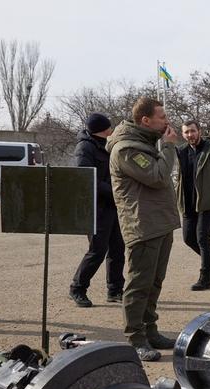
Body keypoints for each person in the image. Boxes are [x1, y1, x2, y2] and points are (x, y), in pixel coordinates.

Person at [107, 97, 181, 362]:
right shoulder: (126, 149)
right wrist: (169, 147)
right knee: (139, 284)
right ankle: (135, 338)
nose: (167, 121)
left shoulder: (145, 143)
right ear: (145, 121)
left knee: (154, 283)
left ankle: (150, 331)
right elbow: (158, 176)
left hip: (158, 223)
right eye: (162, 117)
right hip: (143, 225)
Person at [69, 113, 126, 307]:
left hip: (113, 206)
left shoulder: (107, 145)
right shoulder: (85, 147)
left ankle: (115, 290)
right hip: (96, 208)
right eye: (109, 128)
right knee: (97, 251)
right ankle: (77, 288)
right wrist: (115, 192)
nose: (111, 130)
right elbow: (86, 179)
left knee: (118, 249)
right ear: (103, 130)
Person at [176, 120, 210, 290]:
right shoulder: (181, 151)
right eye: (186, 132)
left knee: (202, 238)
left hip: (206, 203)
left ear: (199, 131)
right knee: (188, 238)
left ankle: (205, 278)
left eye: (192, 131)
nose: (190, 135)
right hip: (188, 203)